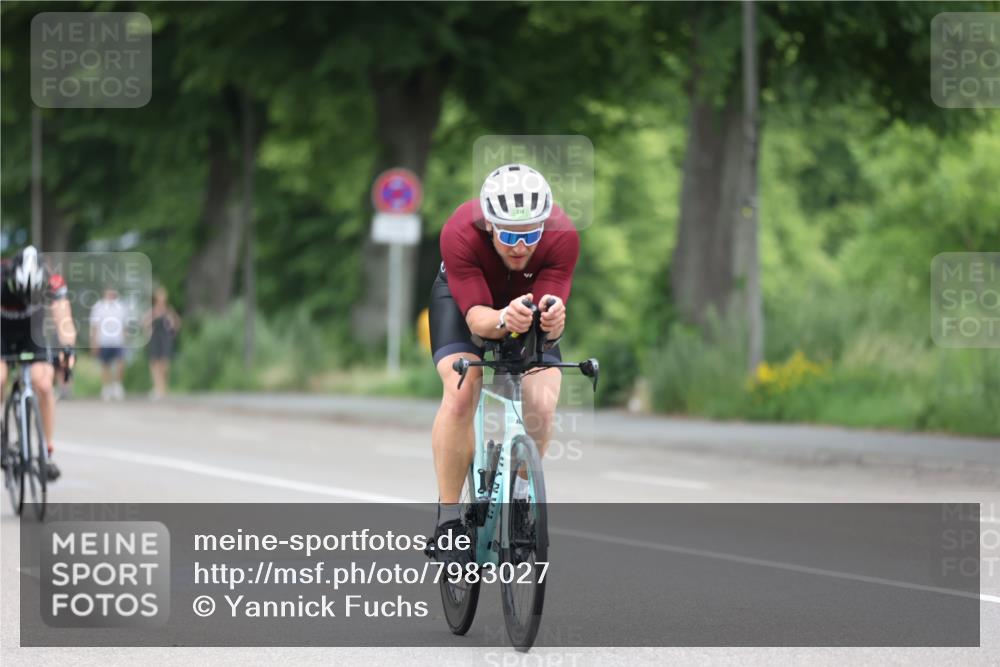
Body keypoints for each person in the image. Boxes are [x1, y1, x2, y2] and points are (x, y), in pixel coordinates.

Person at [428, 163, 579, 562]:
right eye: (510, 235)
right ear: (489, 226)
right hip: (467, 302)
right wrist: (500, 319)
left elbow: (548, 313)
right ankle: (448, 522)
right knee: (462, 390)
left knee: (543, 404)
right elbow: (476, 318)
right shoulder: (460, 231)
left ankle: (520, 500)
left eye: (530, 235)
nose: (520, 246)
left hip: (524, 304)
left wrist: (554, 321)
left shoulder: (563, 237)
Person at [0, 246, 76, 481]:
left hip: (32, 333)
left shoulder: (52, 282)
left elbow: (64, 321)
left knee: (43, 384)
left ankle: (46, 451)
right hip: (1, 332)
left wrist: (68, 351)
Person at [90, 285, 128, 401]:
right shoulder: (98, 307)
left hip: (118, 340)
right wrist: (94, 342)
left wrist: (125, 339)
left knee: (120, 363)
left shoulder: (121, 307)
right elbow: (94, 326)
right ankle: (106, 387)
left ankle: (117, 385)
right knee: (105, 364)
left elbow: (124, 325)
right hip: (104, 340)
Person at [143, 286, 181, 400]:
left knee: (164, 364)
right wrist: (148, 328)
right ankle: (157, 388)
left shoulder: (169, 311)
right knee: (155, 364)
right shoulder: (152, 311)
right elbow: (144, 324)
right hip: (155, 338)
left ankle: (162, 387)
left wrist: (173, 331)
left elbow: (177, 323)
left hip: (165, 338)